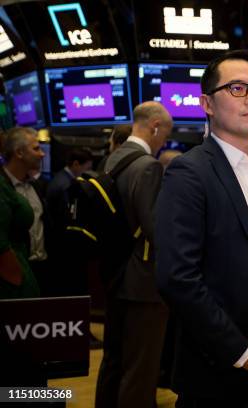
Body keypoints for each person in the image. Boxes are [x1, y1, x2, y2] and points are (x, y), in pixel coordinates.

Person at [155, 50, 248, 408]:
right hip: (214, 365)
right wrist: (242, 352)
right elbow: (178, 277)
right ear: (208, 104)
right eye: (236, 88)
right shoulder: (189, 173)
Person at [95, 101, 173, 408]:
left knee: (114, 358)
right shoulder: (148, 166)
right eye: (165, 134)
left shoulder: (112, 160)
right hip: (143, 281)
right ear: (154, 126)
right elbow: (155, 230)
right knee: (141, 367)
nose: (164, 142)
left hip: (114, 273)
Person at [0, 127, 48, 294]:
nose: (42, 154)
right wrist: (17, 277)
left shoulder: (37, 185)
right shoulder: (3, 187)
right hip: (14, 276)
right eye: (36, 148)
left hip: (41, 267)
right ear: (19, 152)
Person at [46, 148, 93, 296]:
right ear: (76, 164)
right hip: (62, 244)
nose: (87, 171)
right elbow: (67, 217)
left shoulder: (61, 179)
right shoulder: (66, 185)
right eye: (86, 167)